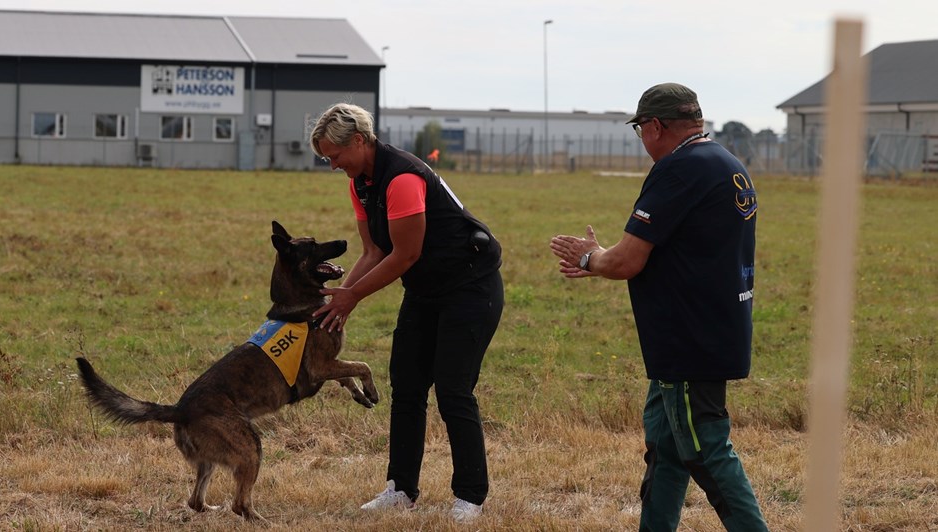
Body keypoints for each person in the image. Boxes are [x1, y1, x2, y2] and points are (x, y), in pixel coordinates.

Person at [548, 83, 769, 531]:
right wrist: (602, 259)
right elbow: (665, 252)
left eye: (640, 131)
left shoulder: (678, 169)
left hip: (686, 337)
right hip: (713, 326)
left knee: (705, 449)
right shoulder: (725, 162)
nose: (643, 141)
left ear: (655, 126)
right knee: (667, 447)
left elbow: (628, 260)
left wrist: (590, 258)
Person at [308, 103, 504, 523]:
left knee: (453, 391)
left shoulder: (402, 178)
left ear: (359, 141)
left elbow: (406, 254)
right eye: (326, 158)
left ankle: (470, 497)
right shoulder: (360, 183)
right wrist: (342, 298)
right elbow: (374, 251)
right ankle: (400, 489)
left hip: (470, 288)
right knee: (407, 387)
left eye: (335, 156)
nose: (331, 165)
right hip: (425, 291)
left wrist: (352, 296)